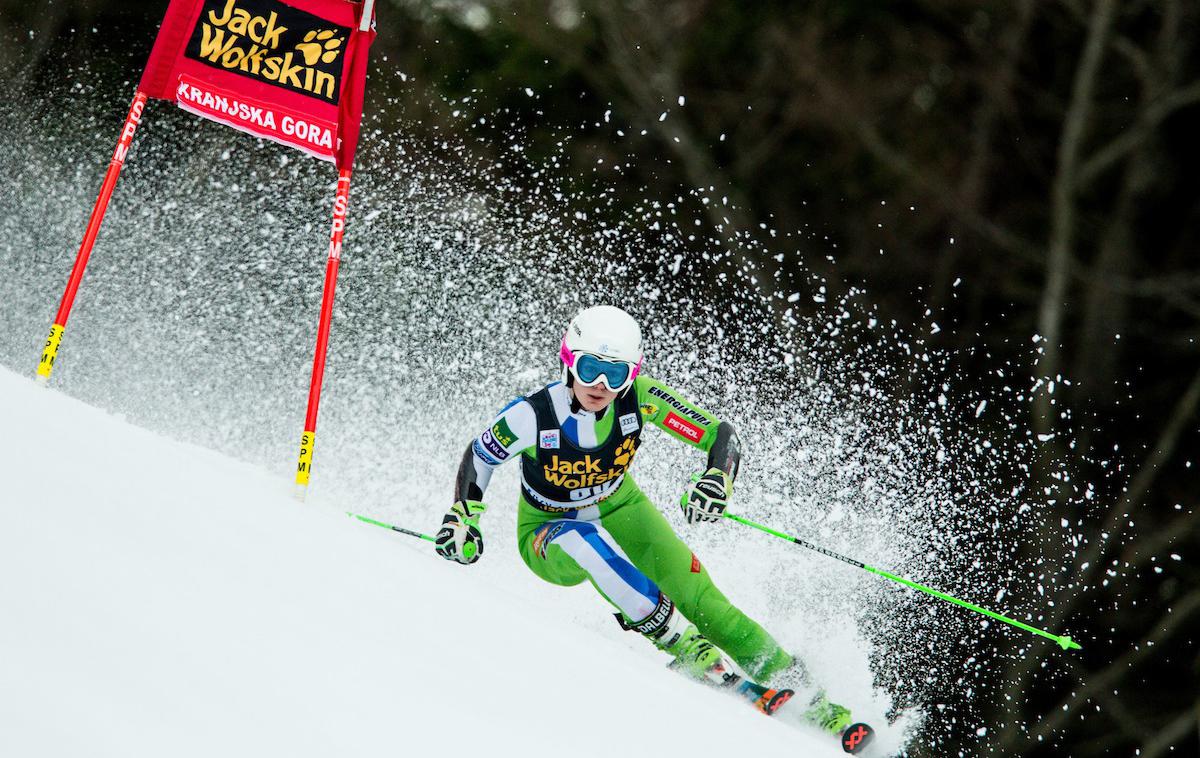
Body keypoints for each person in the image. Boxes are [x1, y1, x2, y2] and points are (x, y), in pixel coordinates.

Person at [434, 305, 852, 733]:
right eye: (590, 367)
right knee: (583, 540)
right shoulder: (532, 414)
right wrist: (464, 515)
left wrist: (717, 477)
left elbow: (721, 435)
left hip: (621, 504)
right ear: (568, 360)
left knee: (706, 604)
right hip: (546, 527)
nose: (599, 385)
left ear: (631, 376)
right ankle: (678, 640)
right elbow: (480, 456)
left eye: (614, 375)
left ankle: (808, 694)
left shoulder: (642, 399)